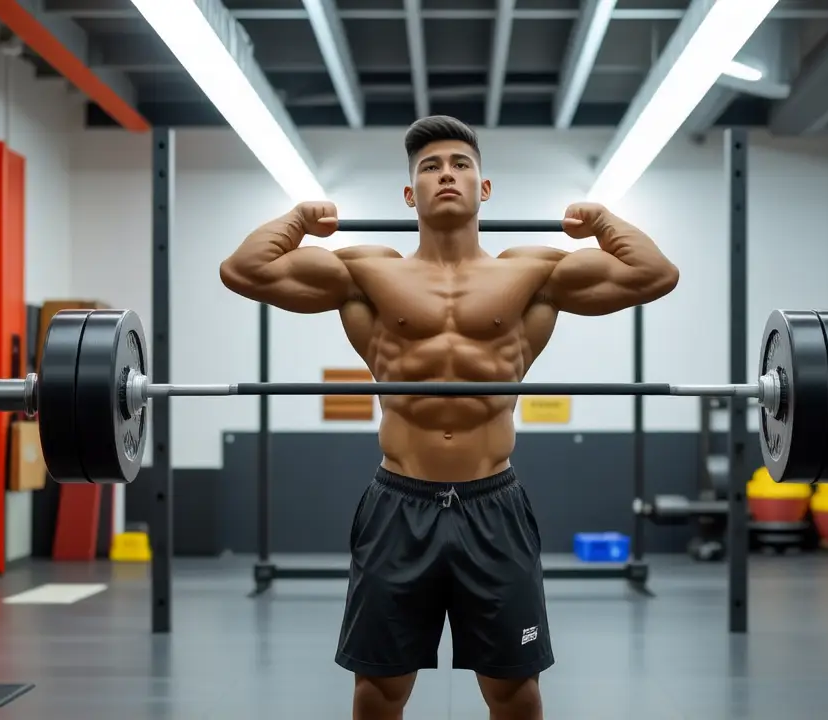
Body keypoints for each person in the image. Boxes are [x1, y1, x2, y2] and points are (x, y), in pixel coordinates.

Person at [219, 115, 679, 720]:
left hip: (494, 504)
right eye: (430, 167)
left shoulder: (531, 273)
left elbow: (655, 274)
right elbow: (243, 270)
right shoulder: (368, 272)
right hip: (398, 503)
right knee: (378, 690)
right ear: (410, 195)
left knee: (514, 690)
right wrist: (299, 221)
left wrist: (601, 222)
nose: (447, 175)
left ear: (484, 189)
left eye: (461, 165)